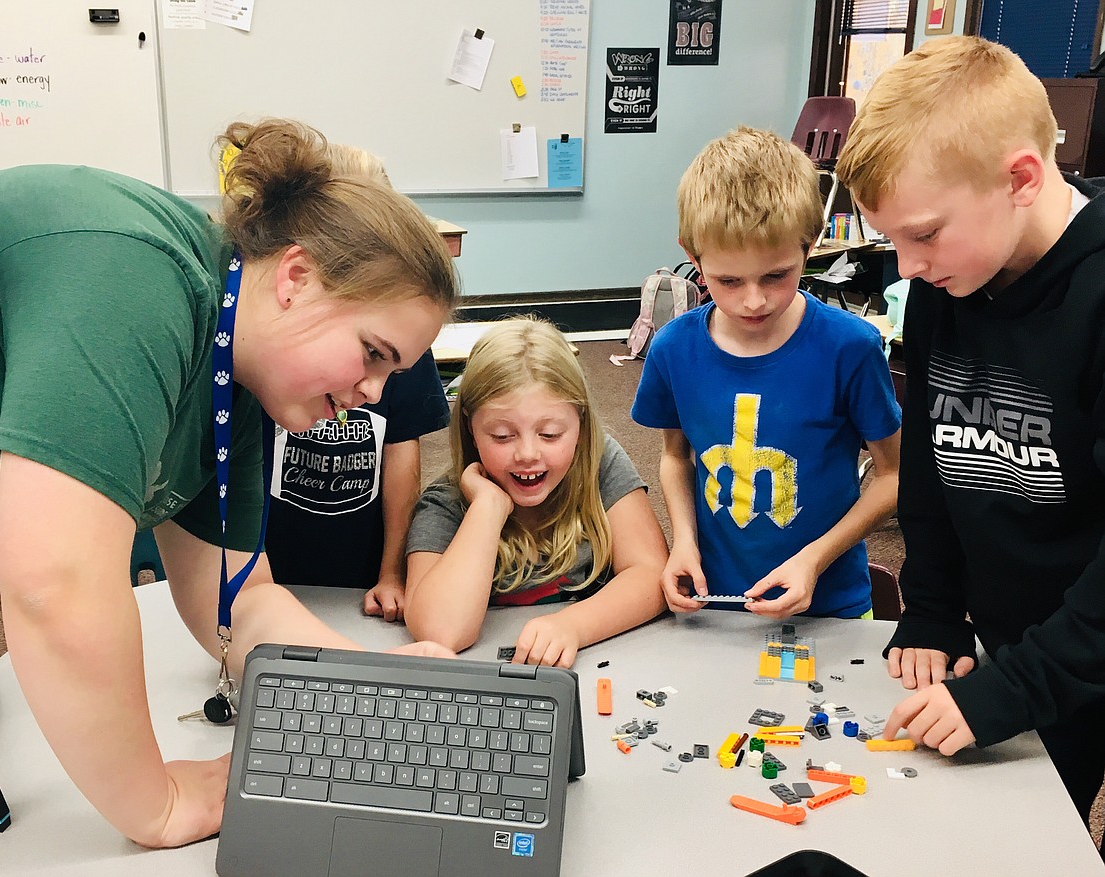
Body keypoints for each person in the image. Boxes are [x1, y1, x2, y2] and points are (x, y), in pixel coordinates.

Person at [0, 118, 458, 848]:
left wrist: (364, 673)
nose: (374, 392)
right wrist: (155, 803)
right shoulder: (131, 276)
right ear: (296, 277)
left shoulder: (236, 370)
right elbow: (53, 582)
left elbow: (236, 598)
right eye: (373, 353)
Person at [836, 35, 1105, 853]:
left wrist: (1010, 689)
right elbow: (930, 467)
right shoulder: (946, 284)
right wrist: (931, 609)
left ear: (1020, 178)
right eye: (892, 241)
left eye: (923, 234)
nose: (907, 267)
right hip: (1012, 638)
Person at [631, 126, 902, 621]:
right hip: (714, 601)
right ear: (692, 256)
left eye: (776, 275)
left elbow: (893, 476)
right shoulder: (673, 349)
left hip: (831, 604)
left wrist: (814, 560)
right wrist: (683, 542)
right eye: (728, 280)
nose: (753, 301)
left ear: (810, 245)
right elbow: (675, 456)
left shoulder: (851, 348)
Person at [403, 318, 667, 666]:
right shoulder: (445, 503)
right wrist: (487, 507)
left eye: (550, 434)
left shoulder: (600, 463)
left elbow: (652, 574)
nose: (527, 454)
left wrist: (573, 625)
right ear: (470, 428)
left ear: (581, 425)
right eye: (502, 436)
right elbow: (440, 631)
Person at [264, 144, 450, 621]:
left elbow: (402, 452)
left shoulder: (400, 340)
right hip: (268, 564)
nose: (371, 390)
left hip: (356, 567)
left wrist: (392, 571)